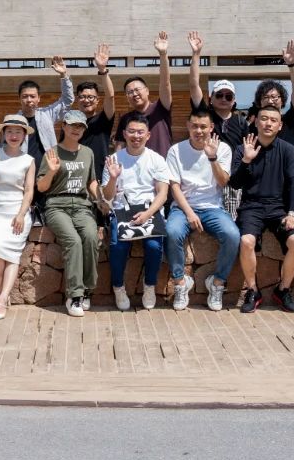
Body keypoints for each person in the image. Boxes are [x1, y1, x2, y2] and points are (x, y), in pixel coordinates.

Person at [229, 105, 294, 313]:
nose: (268, 123)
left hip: (279, 209)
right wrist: (246, 160)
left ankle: (283, 289)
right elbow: (235, 184)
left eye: (273, 120)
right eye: (264, 118)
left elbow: (293, 184)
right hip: (251, 207)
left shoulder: (288, 150)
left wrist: (293, 213)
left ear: (280, 126)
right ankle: (253, 291)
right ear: (256, 122)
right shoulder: (243, 148)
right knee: (246, 241)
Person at [165, 108, 239, 311]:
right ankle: (180, 282)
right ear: (188, 126)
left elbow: (223, 182)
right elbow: (174, 186)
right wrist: (189, 213)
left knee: (232, 235)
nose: (199, 131)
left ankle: (217, 283)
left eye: (203, 127)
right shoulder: (176, 150)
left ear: (211, 127)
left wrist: (212, 158)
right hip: (183, 207)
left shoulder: (223, 149)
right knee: (171, 232)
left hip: (213, 207)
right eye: (195, 126)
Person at [101, 112, 170, 311]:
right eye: (131, 131)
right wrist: (113, 178)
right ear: (124, 134)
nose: (136, 136)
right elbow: (107, 196)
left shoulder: (156, 159)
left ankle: (149, 286)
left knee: (153, 246)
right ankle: (118, 287)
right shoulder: (114, 159)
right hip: (122, 210)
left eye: (140, 132)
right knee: (118, 245)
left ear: (148, 135)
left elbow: (163, 194)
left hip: (150, 210)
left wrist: (147, 214)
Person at [38, 109, 101, 317]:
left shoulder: (88, 152)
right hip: (57, 205)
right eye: (73, 125)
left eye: (81, 126)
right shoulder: (52, 152)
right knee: (73, 241)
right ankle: (74, 296)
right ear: (63, 126)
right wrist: (52, 171)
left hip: (82, 205)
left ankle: (87, 291)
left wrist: (101, 199)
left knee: (91, 237)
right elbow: (41, 187)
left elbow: (91, 182)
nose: (76, 129)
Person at [0, 114, 37, 321]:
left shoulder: (28, 160)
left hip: (17, 211)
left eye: (18, 132)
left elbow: (29, 191)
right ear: (3, 134)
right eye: (10, 131)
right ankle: (3, 293)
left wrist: (21, 214)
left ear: (24, 135)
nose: (14, 135)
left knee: (12, 254)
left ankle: (2, 299)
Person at [186, 30, 245, 215]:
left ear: (234, 101)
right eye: (219, 95)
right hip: (206, 176)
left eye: (228, 96)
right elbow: (194, 85)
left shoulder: (241, 122)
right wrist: (196, 54)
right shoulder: (206, 115)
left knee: (232, 221)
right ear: (210, 98)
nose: (224, 99)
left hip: (231, 179)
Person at [114, 31, 173, 156]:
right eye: (130, 92)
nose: (134, 94)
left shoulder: (161, 107)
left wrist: (163, 54)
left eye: (137, 89)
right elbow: (120, 146)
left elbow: (165, 83)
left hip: (162, 165)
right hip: (135, 167)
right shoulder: (126, 119)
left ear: (147, 90)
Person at [247, 40, 294, 148]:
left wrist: (292, 65)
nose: (270, 101)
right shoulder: (254, 127)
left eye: (274, 97)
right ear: (259, 101)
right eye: (266, 97)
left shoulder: (291, 120)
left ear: (282, 100)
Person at [17, 56, 74, 164]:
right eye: (25, 96)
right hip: (22, 168)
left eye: (32, 96)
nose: (29, 100)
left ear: (38, 98)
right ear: (19, 98)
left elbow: (67, 100)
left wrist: (63, 75)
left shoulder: (47, 114)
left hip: (48, 167)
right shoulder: (14, 120)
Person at [77, 43, 118, 178]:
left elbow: (110, 96)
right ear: (77, 99)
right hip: (77, 177)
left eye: (90, 97)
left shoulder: (104, 119)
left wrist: (102, 70)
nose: (86, 100)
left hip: (99, 176)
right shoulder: (71, 123)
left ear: (97, 100)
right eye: (82, 97)